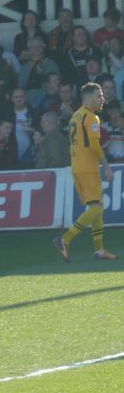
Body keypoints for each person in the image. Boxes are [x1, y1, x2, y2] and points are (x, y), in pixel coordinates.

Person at [54, 83, 117, 261]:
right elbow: (95, 145)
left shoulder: (75, 116)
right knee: (97, 207)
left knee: (95, 206)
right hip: (88, 167)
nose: (102, 99)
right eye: (99, 96)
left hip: (77, 166)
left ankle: (99, 250)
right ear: (89, 98)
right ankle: (65, 238)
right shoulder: (91, 118)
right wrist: (106, 166)